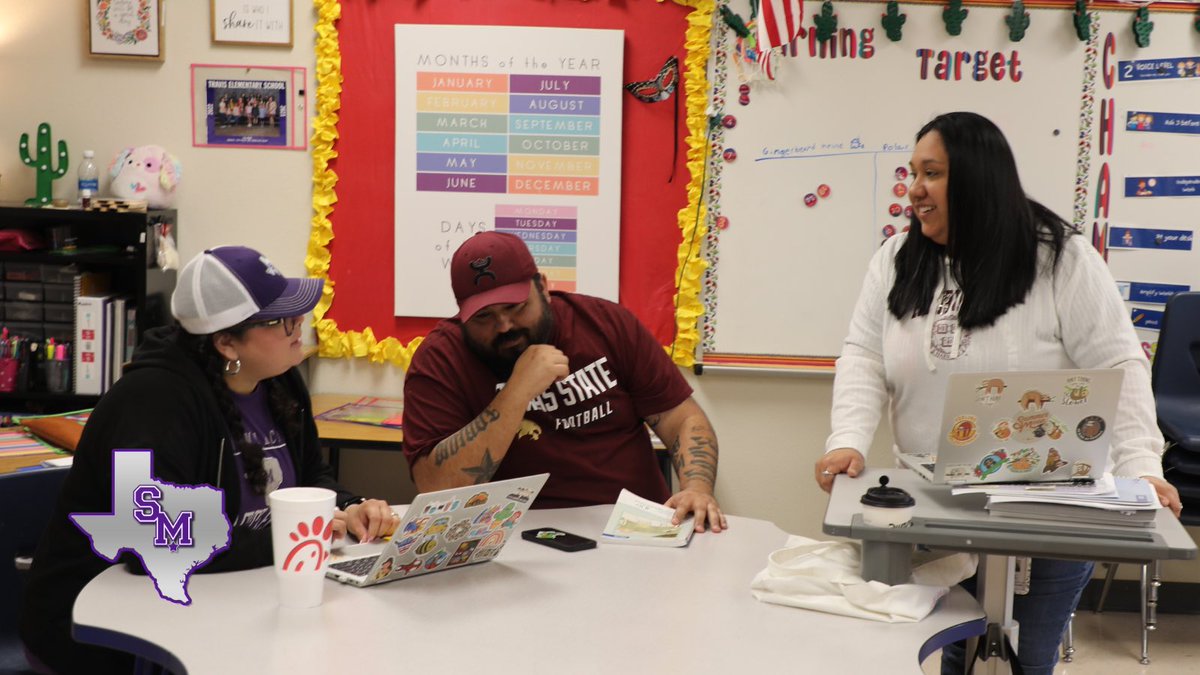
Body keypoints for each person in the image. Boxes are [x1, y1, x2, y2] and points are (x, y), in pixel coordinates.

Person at [812, 112, 1181, 675]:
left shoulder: (1060, 258)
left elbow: (1118, 364)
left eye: (930, 174)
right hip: (931, 507)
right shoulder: (896, 260)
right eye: (911, 173)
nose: (913, 190)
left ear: (977, 180)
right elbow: (864, 355)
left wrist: (1142, 467)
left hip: (1050, 509)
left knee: (1025, 661)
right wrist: (848, 440)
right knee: (947, 656)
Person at [20, 246, 397, 674]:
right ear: (225, 341)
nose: (299, 326)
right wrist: (295, 538)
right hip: (107, 638)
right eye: (279, 320)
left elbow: (313, 476)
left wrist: (348, 507)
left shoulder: (281, 380)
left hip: (230, 602)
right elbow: (158, 542)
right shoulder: (151, 402)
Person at [403, 231, 727, 532]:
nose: (504, 326)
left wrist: (696, 489)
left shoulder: (606, 324)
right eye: (484, 317)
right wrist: (516, 392)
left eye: (516, 308)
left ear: (542, 286)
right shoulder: (440, 359)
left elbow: (681, 418)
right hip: (511, 535)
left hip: (631, 524)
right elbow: (436, 488)